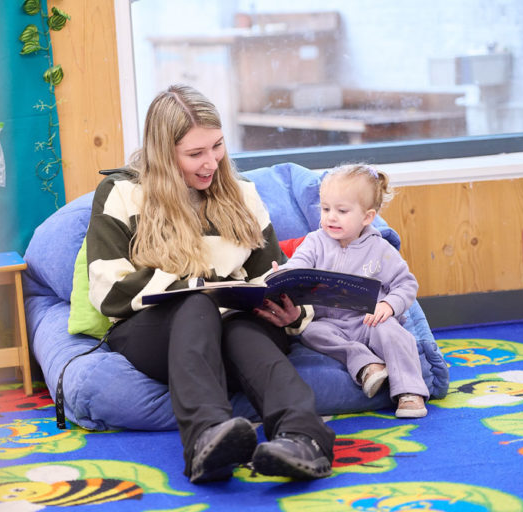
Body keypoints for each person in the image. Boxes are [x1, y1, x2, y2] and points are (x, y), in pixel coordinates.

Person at [85, 84, 336, 484]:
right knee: (197, 305)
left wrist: (293, 311)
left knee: (241, 330)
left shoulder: (243, 195)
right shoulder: (121, 193)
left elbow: (270, 275)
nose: (211, 163)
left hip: (236, 325)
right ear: (163, 155)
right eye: (195, 154)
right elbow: (108, 290)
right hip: (156, 332)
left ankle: (304, 439)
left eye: (217, 146)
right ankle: (207, 439)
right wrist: (195, 283)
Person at [277, 163, 429, 418]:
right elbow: (298, 265)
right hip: (330, 322)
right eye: (325, 209)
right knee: (311, 332)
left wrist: (388, 306)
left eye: (342, 211)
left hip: (369, 319)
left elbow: (406, 284)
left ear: (367, 217)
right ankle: (368, 365)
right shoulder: (315, 242)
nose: (330, 217)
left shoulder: (380, 249)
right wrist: (282, 273)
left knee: (394, 333)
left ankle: (410, 391)